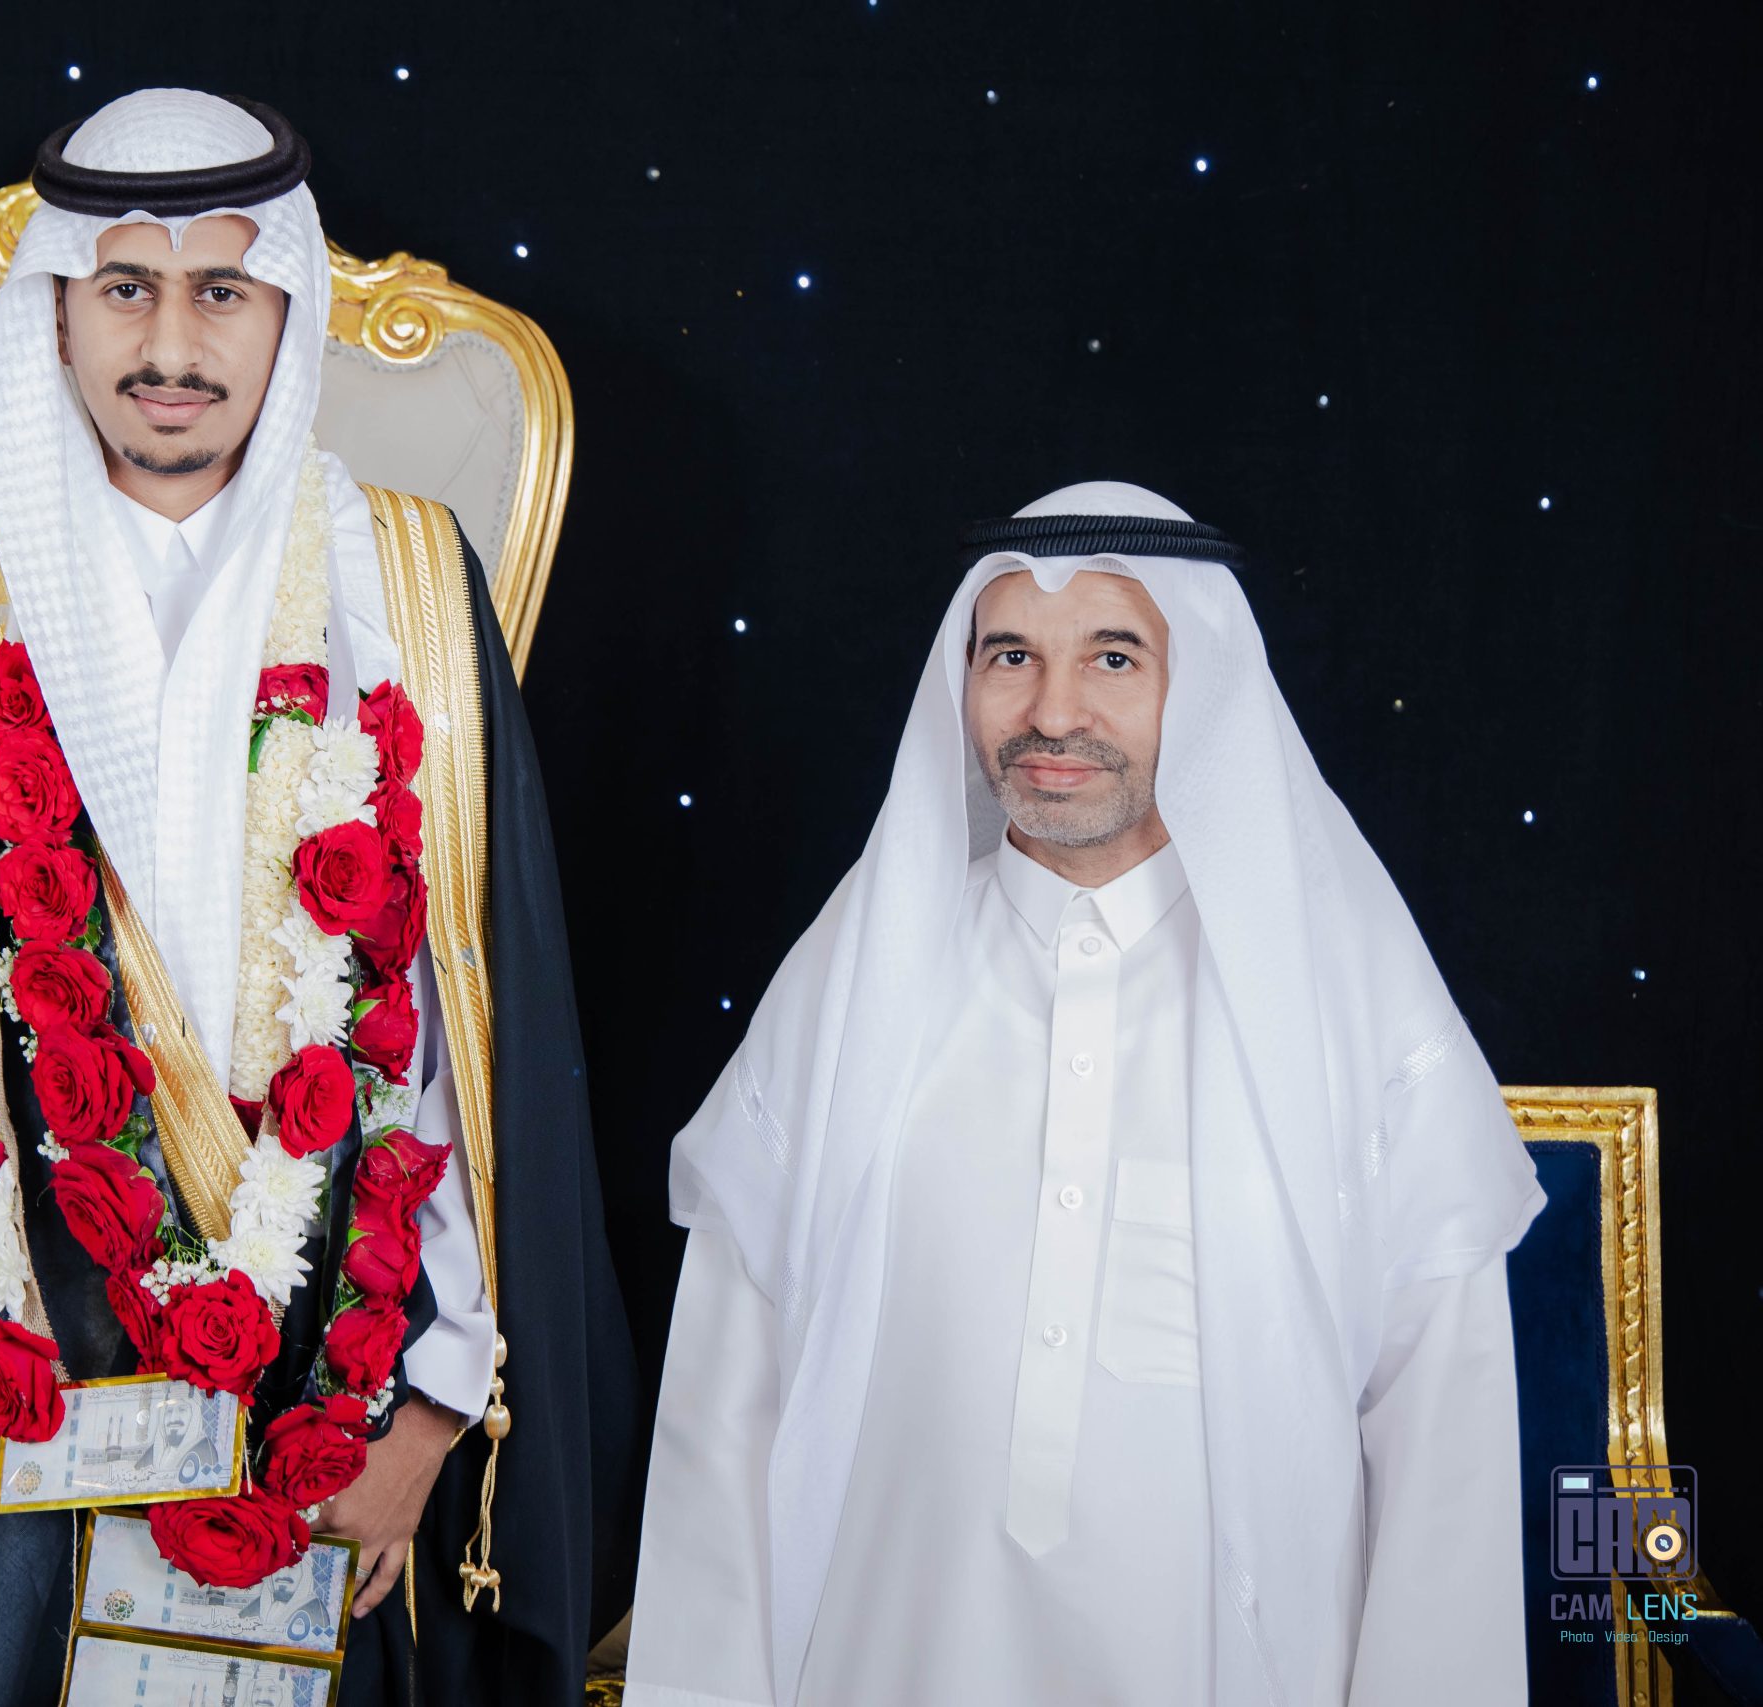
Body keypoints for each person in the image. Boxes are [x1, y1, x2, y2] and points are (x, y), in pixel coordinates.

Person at [0, 87, 637, 1706]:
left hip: (329, 1401)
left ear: (288, 310)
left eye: (223, 290)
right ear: (55, 313)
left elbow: (470, 1039)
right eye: (124, 286)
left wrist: (430, 1408)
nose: (172, 344)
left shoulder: (405, 581)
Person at [625, 482, 1542, 1706]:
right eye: (1010, 657)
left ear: (1199, 686)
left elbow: (1444, 1441)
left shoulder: (1342, 997)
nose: (1052, 713)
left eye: (1113, 658)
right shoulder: (860, 976)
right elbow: (722, 1410)